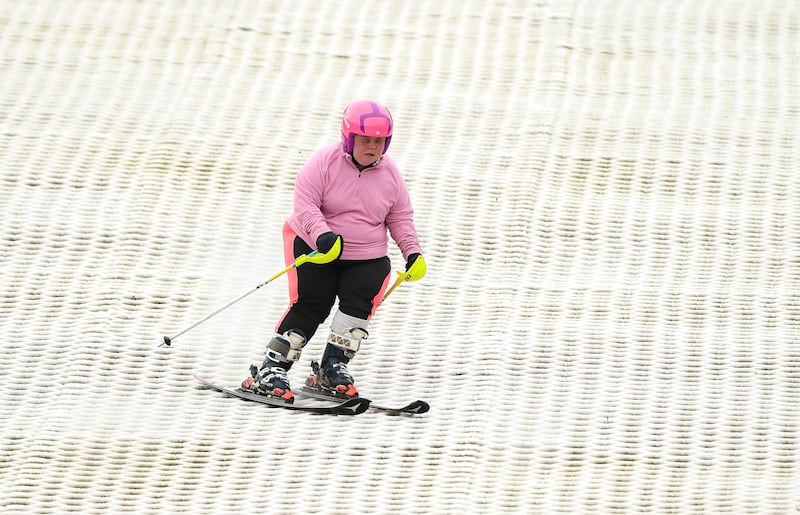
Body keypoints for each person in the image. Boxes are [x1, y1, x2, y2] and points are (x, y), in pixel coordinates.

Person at [241, 99, 426, 403]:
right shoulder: (324, 162)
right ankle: (272, 368)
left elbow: (400, 217)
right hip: (318, 249)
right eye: (365, 140)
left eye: (379, 141)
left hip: (366, 255)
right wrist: (322, 235)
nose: (372, 147)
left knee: (358, 308)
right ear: (350, 138)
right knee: (313, 304)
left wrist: (413, 253)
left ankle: (332, 368)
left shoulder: (391, 176)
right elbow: (305, 203)